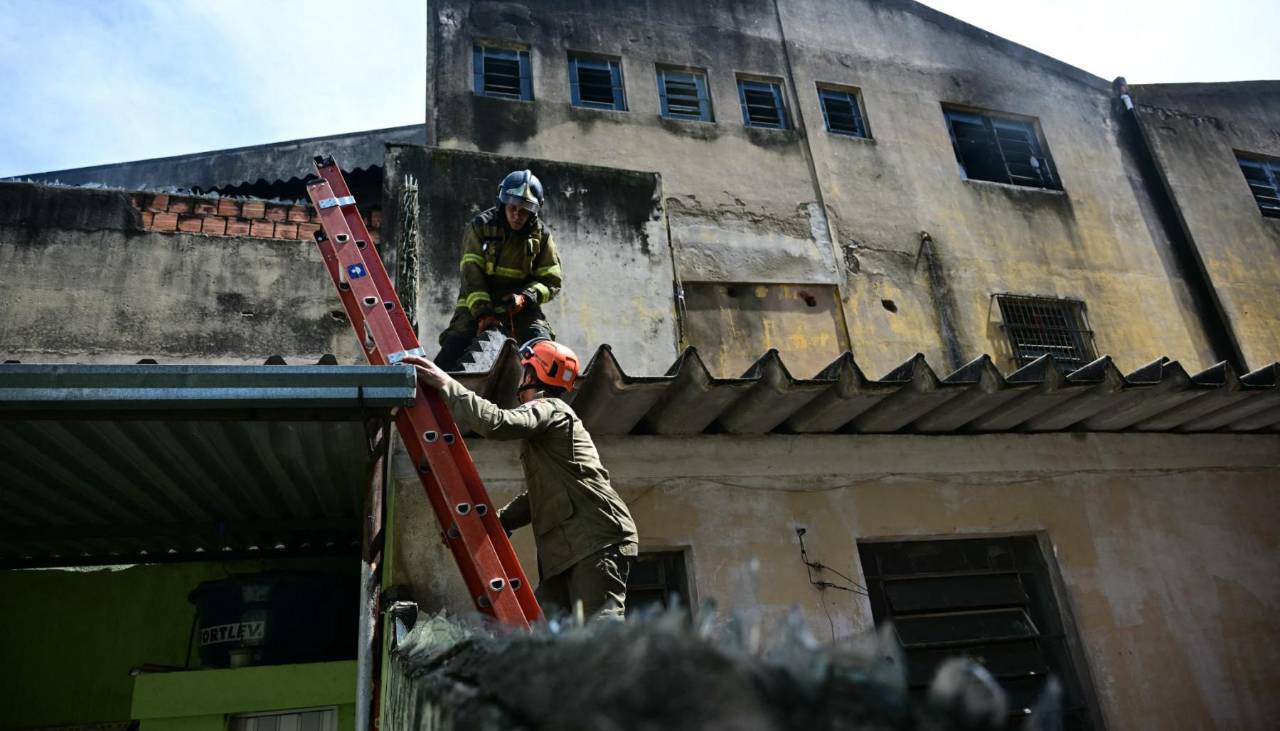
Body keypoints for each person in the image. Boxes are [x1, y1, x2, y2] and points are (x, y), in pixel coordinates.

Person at [402, 340, 638, 620]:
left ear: (533, 375)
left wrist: (446, 383)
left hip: (595, 540)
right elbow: (539, 496)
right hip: (568, 551)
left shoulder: (551, 409)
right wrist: (492, 523)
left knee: (601, 626)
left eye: (525, 371)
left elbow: (496, 423)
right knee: (543, 634)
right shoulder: (551, 431)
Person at [435, 169, 563, 371]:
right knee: (450, 355)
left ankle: (544, 400)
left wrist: (525, 297)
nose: (517, 215)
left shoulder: (542, 236)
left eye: (525, 209)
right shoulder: (480, 227)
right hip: (477, 304)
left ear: (534, 211)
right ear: (503, 203)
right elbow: (471, 275)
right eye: (513, 207)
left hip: (521, 308)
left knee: (544, 353)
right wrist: (483, 313)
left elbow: (552, 280)